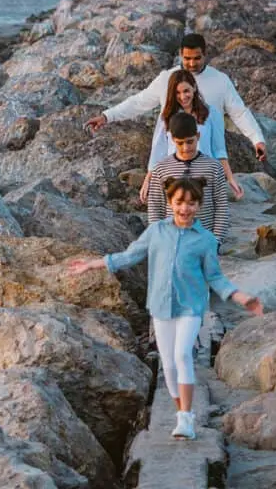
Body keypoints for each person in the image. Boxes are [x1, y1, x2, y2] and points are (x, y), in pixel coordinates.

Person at [67, 175, 263, 441]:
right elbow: (129, 255)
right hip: (160, 306)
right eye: (180, 202)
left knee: (183, 355)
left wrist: (240, 297)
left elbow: (215, 277)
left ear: (199, 205)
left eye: (192, 203)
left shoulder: (205, 240)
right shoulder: (156, 231)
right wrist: (93, 264)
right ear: (170, 202)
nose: (185, 208)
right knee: (168, 364)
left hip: (191, 307)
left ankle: (186, 417)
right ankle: (180, 409)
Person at [86, 33, 267, 183]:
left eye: (197, 58)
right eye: (187, 58)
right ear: (180, 54)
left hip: (207, 164)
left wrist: (257, 139)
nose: (191, 63)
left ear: (205, 54)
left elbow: (239, 112)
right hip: (173, 163)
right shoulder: (167, 78)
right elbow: (138, 102)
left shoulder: (220, 80)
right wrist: (106, 116)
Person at [140, 68, 242, 203]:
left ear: (194, 87)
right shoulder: (166, 116)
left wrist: (230, 178)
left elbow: (219, 149)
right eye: (177, 92)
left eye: (186, 91)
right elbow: (158, 149)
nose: (183, 97)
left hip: (204, 175)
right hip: (174, 175)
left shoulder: (211, 113)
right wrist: (148, 180)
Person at [148, 111, 229, 244]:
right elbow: (155, 209)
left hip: (205, 240)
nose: (185, 148)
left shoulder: (214, 167)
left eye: (190, 142)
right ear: (173, 140)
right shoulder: (161, 169)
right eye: (180, 143)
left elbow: (221, 207)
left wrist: (216, 241)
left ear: (198, 136)